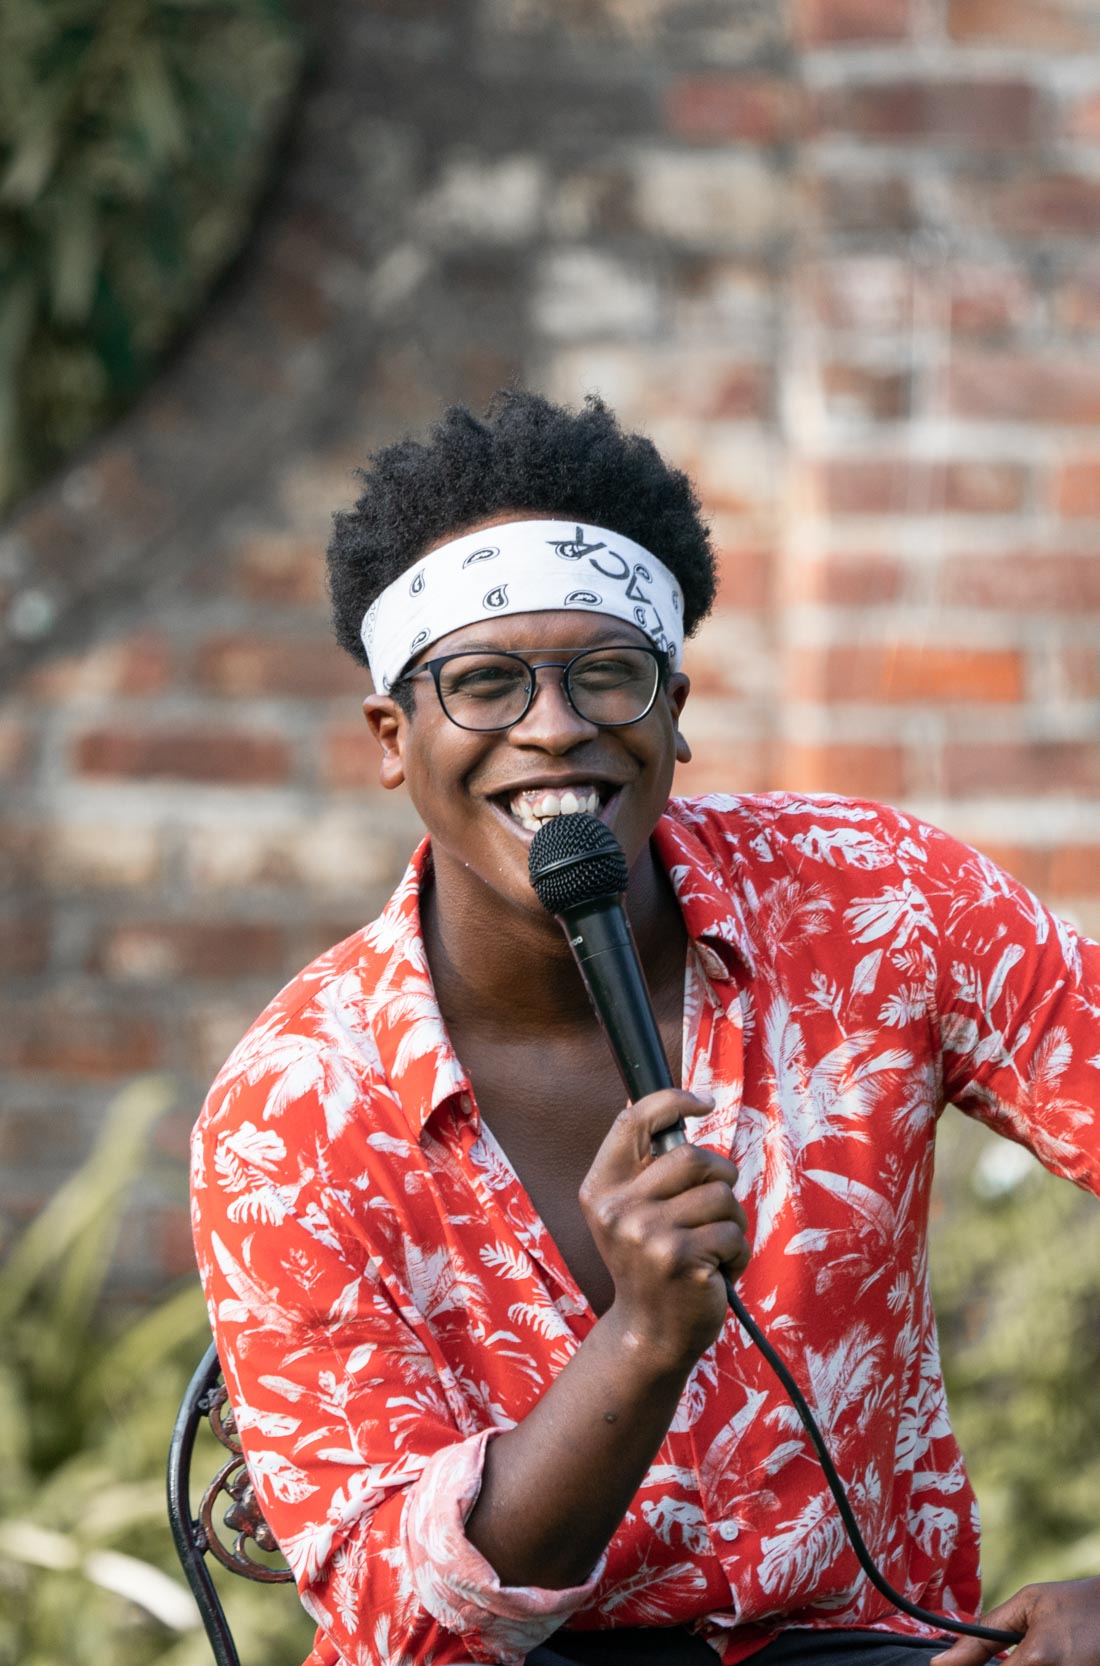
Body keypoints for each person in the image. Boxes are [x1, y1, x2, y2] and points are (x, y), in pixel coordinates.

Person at [191, 390, 1100, 1666]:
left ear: (672, 708)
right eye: (483, 683)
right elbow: (403, 1628)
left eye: (605, 673)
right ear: (392, 739)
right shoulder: (292, 1110)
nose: (554, 725)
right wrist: (639, 1341)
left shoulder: (872, 899)